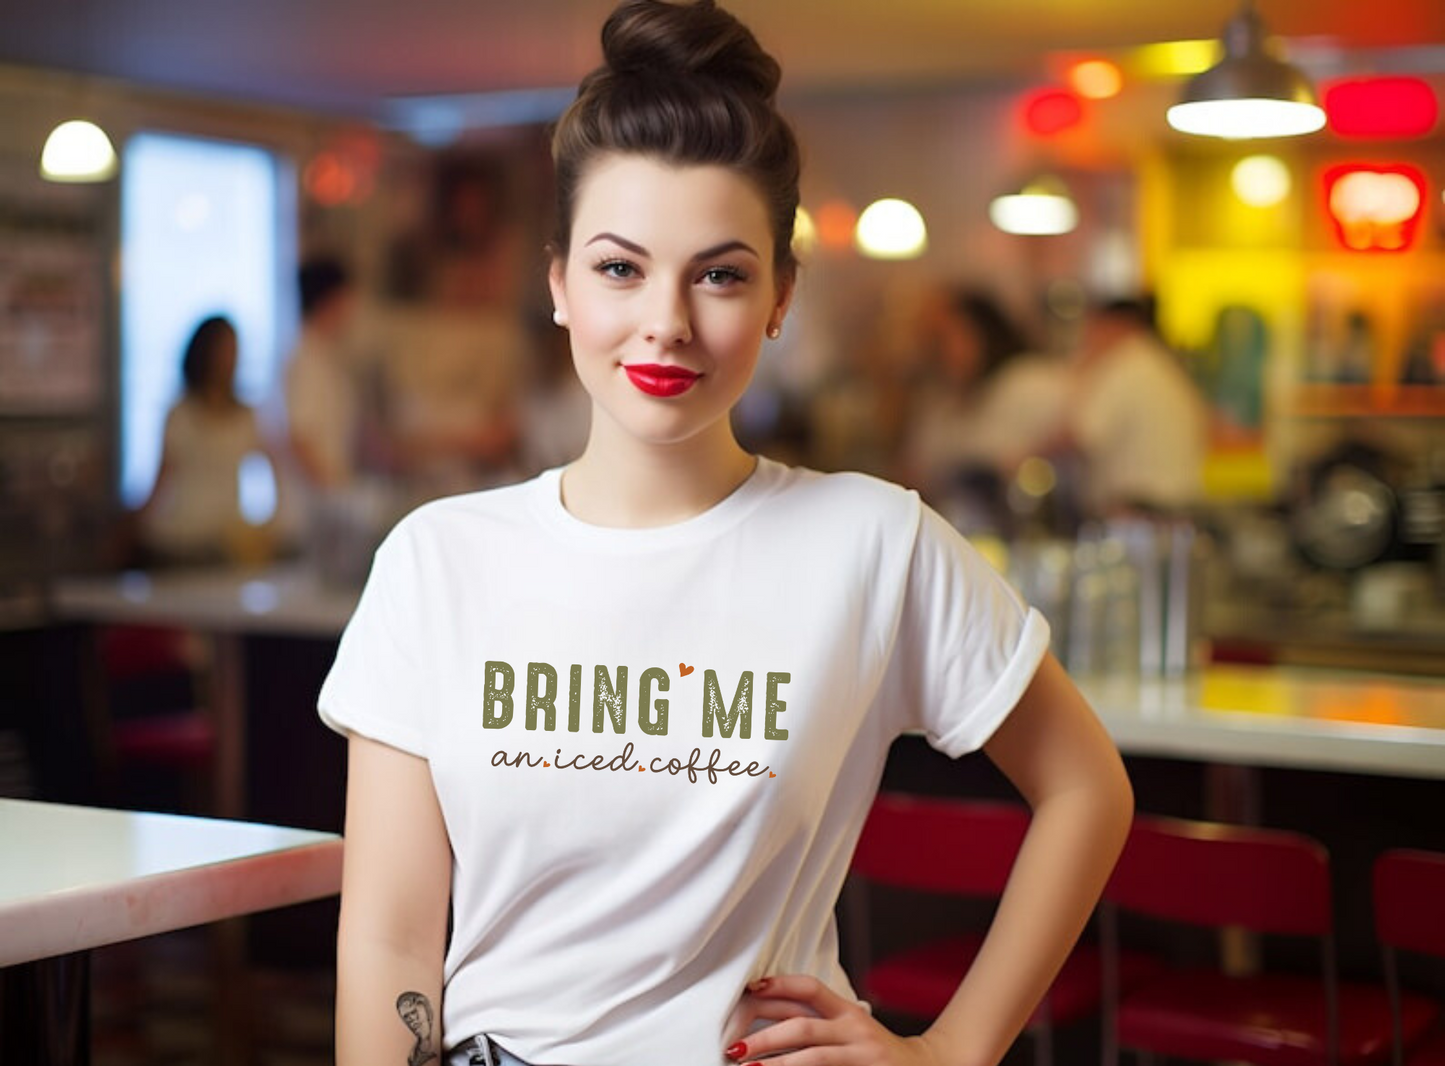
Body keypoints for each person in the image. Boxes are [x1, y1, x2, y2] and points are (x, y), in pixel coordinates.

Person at [320, 4, 1133, 1066]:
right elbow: (388, 939)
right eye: (619, 268)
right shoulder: (437, 559)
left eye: (719, 273)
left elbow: (1085, 788)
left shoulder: (872, 543)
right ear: (559, 284)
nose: (665, 319)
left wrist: (949, 1050)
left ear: (780, 296)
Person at [902, 287, 1069, 526]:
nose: (938, 351)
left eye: (945, 338)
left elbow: (1070, 441)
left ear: (982, 331)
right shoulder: (939, 406)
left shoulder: (1029, 382)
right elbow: (917, 476)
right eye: (931, 341)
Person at [137, 315, 275, 564]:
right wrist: (133, 526)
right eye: (223, 349)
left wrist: (273, 522)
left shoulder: (246, 416)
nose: (229, 358)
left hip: (226, 539)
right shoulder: (180, 413)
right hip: (183, 538)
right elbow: (162, 478)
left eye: (234, 349)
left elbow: (273, 469)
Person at [1063, 296, 1208, 517]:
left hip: (1138, 510)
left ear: (1113, 324)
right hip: (1178, 508)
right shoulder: (1159, 363)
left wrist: (1023, 456)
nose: (1087, 339)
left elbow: (1081, 435)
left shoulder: (1124, 363)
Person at [286, 256, 361, 491]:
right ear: (329, 301)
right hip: (313, 508)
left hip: (330, 499)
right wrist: (334, 491)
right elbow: (300, 440)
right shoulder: (305, 361)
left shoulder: (328, 357)